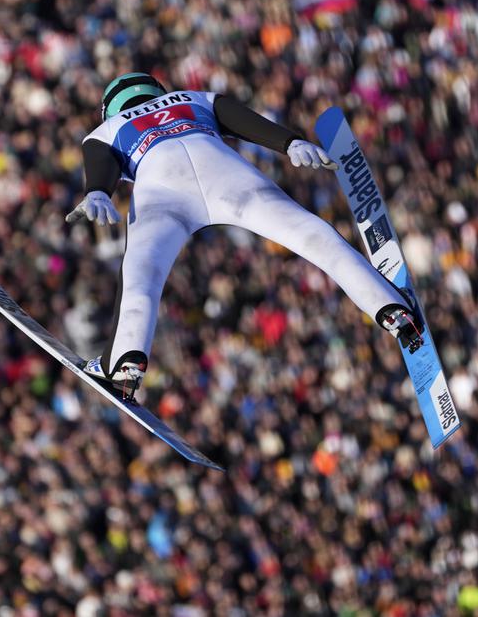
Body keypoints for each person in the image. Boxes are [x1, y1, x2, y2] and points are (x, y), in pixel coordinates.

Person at [66, 72, 424, 396]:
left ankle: (124, 362)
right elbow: (244, 121)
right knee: (312, 235)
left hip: (161, 193)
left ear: (109, 109)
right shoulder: (192, 96)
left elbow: (101, 163)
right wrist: (291, 143)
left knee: (142, 277)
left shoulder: (106, 130)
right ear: (157, 89)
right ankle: (391, 309)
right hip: (228, 178)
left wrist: (97, 191)